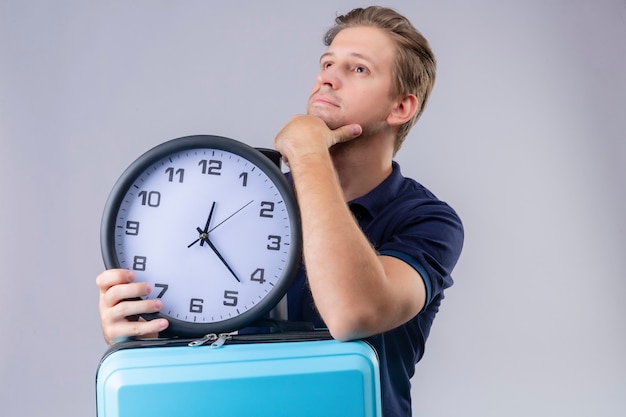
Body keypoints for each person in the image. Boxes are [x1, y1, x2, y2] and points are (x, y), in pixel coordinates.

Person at [97, 6, 464, 416]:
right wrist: (138, 335)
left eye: (357, 69)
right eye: (327, 63)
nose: (327, 76)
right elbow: (196, 340)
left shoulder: (428, 220)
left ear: (401, 108)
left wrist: (307, 152)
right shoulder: (248, 197)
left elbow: (351, 314)